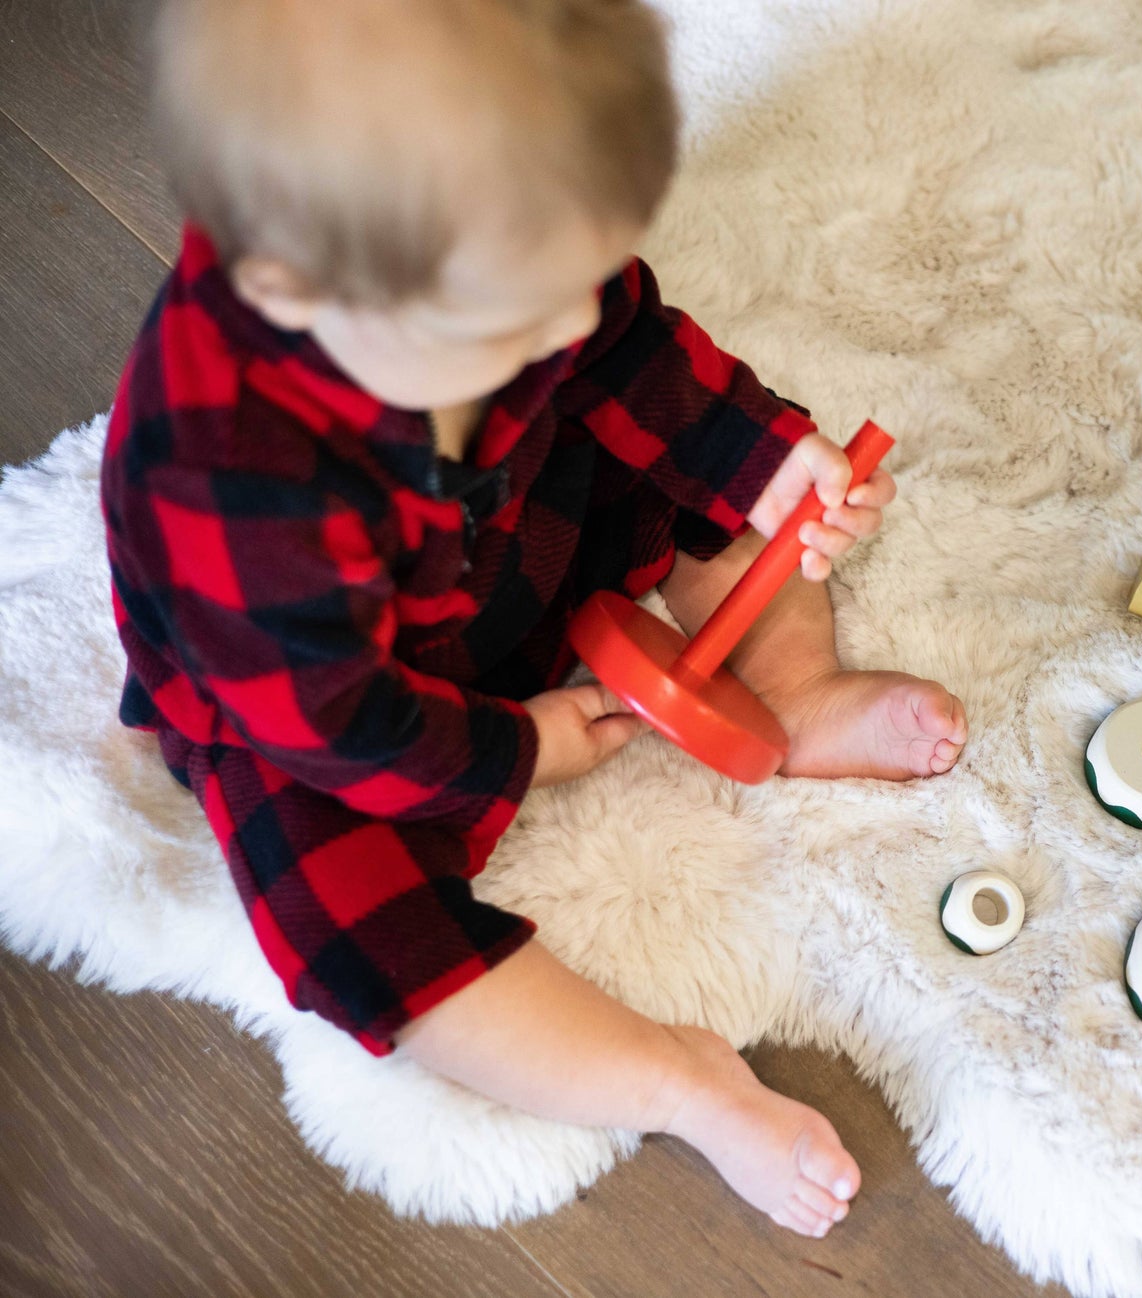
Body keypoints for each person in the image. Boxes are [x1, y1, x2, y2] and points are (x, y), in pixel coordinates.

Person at [100, 0, 969, 1238]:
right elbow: (347, 727)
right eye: (520, 312)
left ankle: (791, 680)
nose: (565, 324)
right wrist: (526, 747)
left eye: (579, 271)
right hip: (337, 709)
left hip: (504, 525)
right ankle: (677, 1076)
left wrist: (770, 468)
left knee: (692, 454)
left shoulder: (487, 261)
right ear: (295, 285)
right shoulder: (232, 494)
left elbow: (625, 350)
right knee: (356, 935)